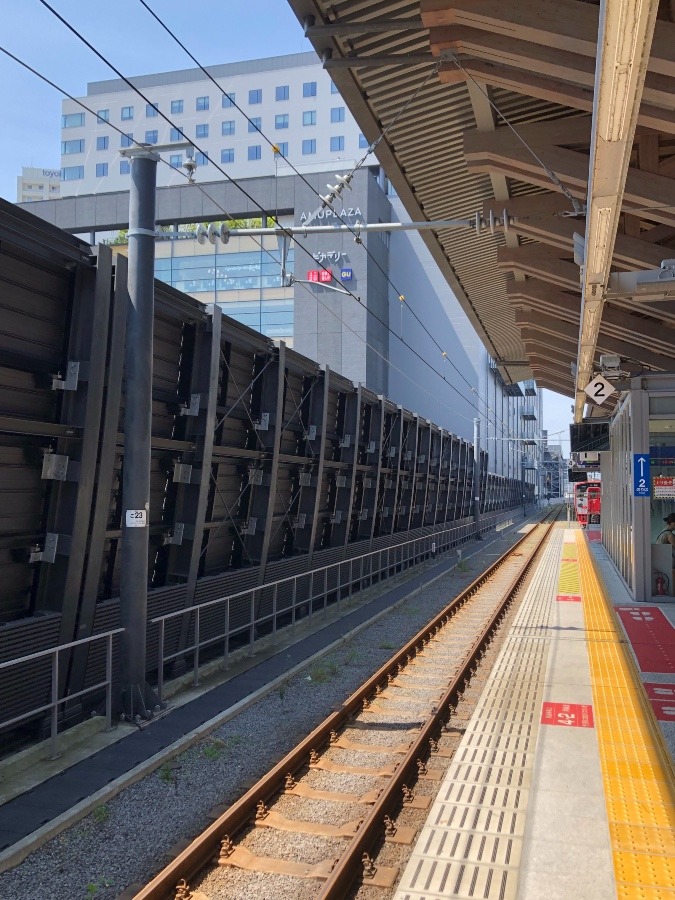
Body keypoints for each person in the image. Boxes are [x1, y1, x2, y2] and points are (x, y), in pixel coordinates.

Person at [658, 513, 675, 594]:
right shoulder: (669, 535)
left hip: (661, 560)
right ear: (671, 523)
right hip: (666, 561)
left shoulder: (663, 531)